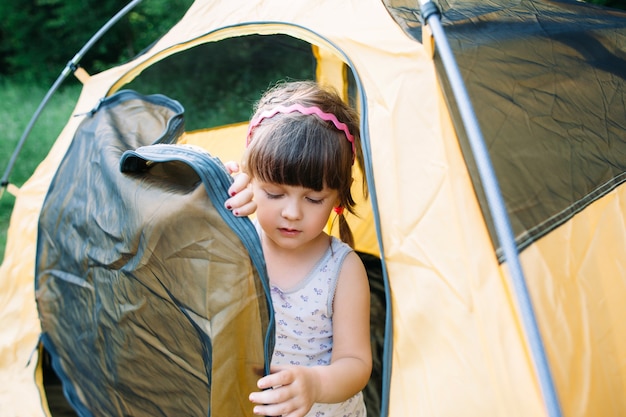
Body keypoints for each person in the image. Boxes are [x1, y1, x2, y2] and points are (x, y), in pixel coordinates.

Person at [225, 80, 371, 417]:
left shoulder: (342, 269)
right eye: (274, 193)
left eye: (313, 198)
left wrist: (315, 384)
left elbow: (356, 363)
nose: (292, 212)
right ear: (250, 179)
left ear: (337, 199)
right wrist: (218, 191)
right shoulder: (235, 237)